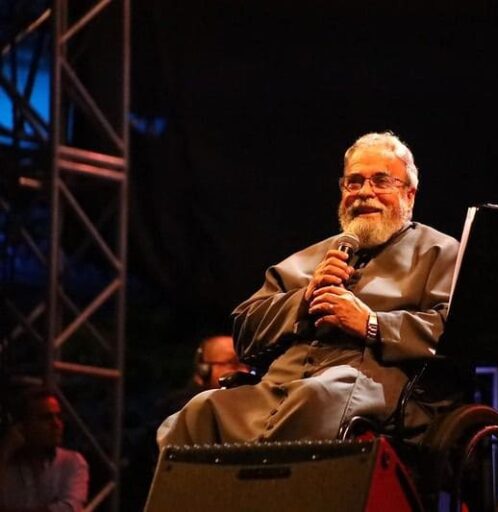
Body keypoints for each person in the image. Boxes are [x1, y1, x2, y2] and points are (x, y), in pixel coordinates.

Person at [157, 131, 459, 446]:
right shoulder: (310, 258)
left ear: (409, 194)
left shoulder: (440, 252)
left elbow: (460, 332)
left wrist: (372, 325)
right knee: (198, 413)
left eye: (381, 181)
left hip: (373, 389)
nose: (364, 192)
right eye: (354, 182)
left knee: (315, 399)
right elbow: (245, 331)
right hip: (279, 389)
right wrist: (303, 299)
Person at [0, 387, 89, 512]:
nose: (56, 424)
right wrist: (4, 452)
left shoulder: (72, 462)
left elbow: (69, 508)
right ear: (23, 425)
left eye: (58, 416)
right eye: (46, 418)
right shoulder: (7, 464)